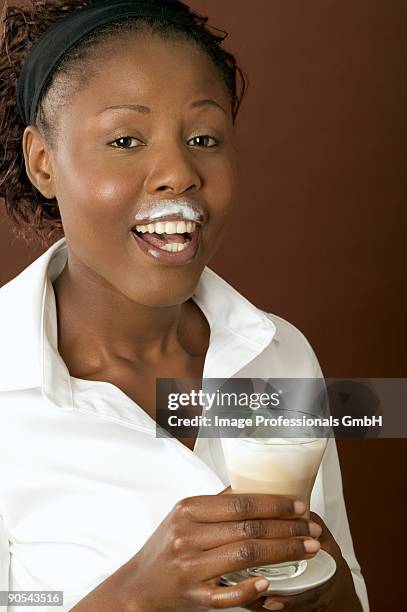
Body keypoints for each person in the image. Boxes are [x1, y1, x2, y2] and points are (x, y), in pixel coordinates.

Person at [0, 1, 369, 610]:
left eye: (203, 137)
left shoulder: (280, 353)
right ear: (44, 162)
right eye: (124, 140)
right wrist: (133, 599)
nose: (178, 172)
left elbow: (347, 592)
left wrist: (320, 582)